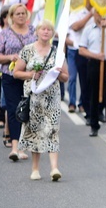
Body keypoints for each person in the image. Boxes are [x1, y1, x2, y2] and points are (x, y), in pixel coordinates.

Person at [12, 20, 69, 180]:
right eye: (43, 29)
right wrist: (31, 75)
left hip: (52, 98)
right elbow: (16, 72)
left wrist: (57, 73)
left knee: (52, 129)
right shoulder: (27, 50)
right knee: (35, 130)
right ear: (37, 32)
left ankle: (54, 168)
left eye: (49, 30)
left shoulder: (57, 53)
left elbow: (66, 77)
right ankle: (35, 169)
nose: (46, 32)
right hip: (34, 97)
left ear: (52, 34)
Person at [0, 4, 36, 161]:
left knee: (28, 109)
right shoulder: (5, 34)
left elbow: (41, 48)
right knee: (13, 109)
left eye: (23, 13)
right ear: (11, 16)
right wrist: (10, 57)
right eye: (17, 13)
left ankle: (25, 145)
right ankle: (15, 147)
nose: (20, 16)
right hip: (10, 75)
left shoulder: (33, 32)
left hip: (29, 76)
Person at [78, 9, 106, 138]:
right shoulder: (89, 29)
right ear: (94, 14)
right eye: (98, 13)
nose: (100, 16)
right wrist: (95, 55)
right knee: (93, 95)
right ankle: (94, 125)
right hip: (94, 63)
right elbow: (82, 49)